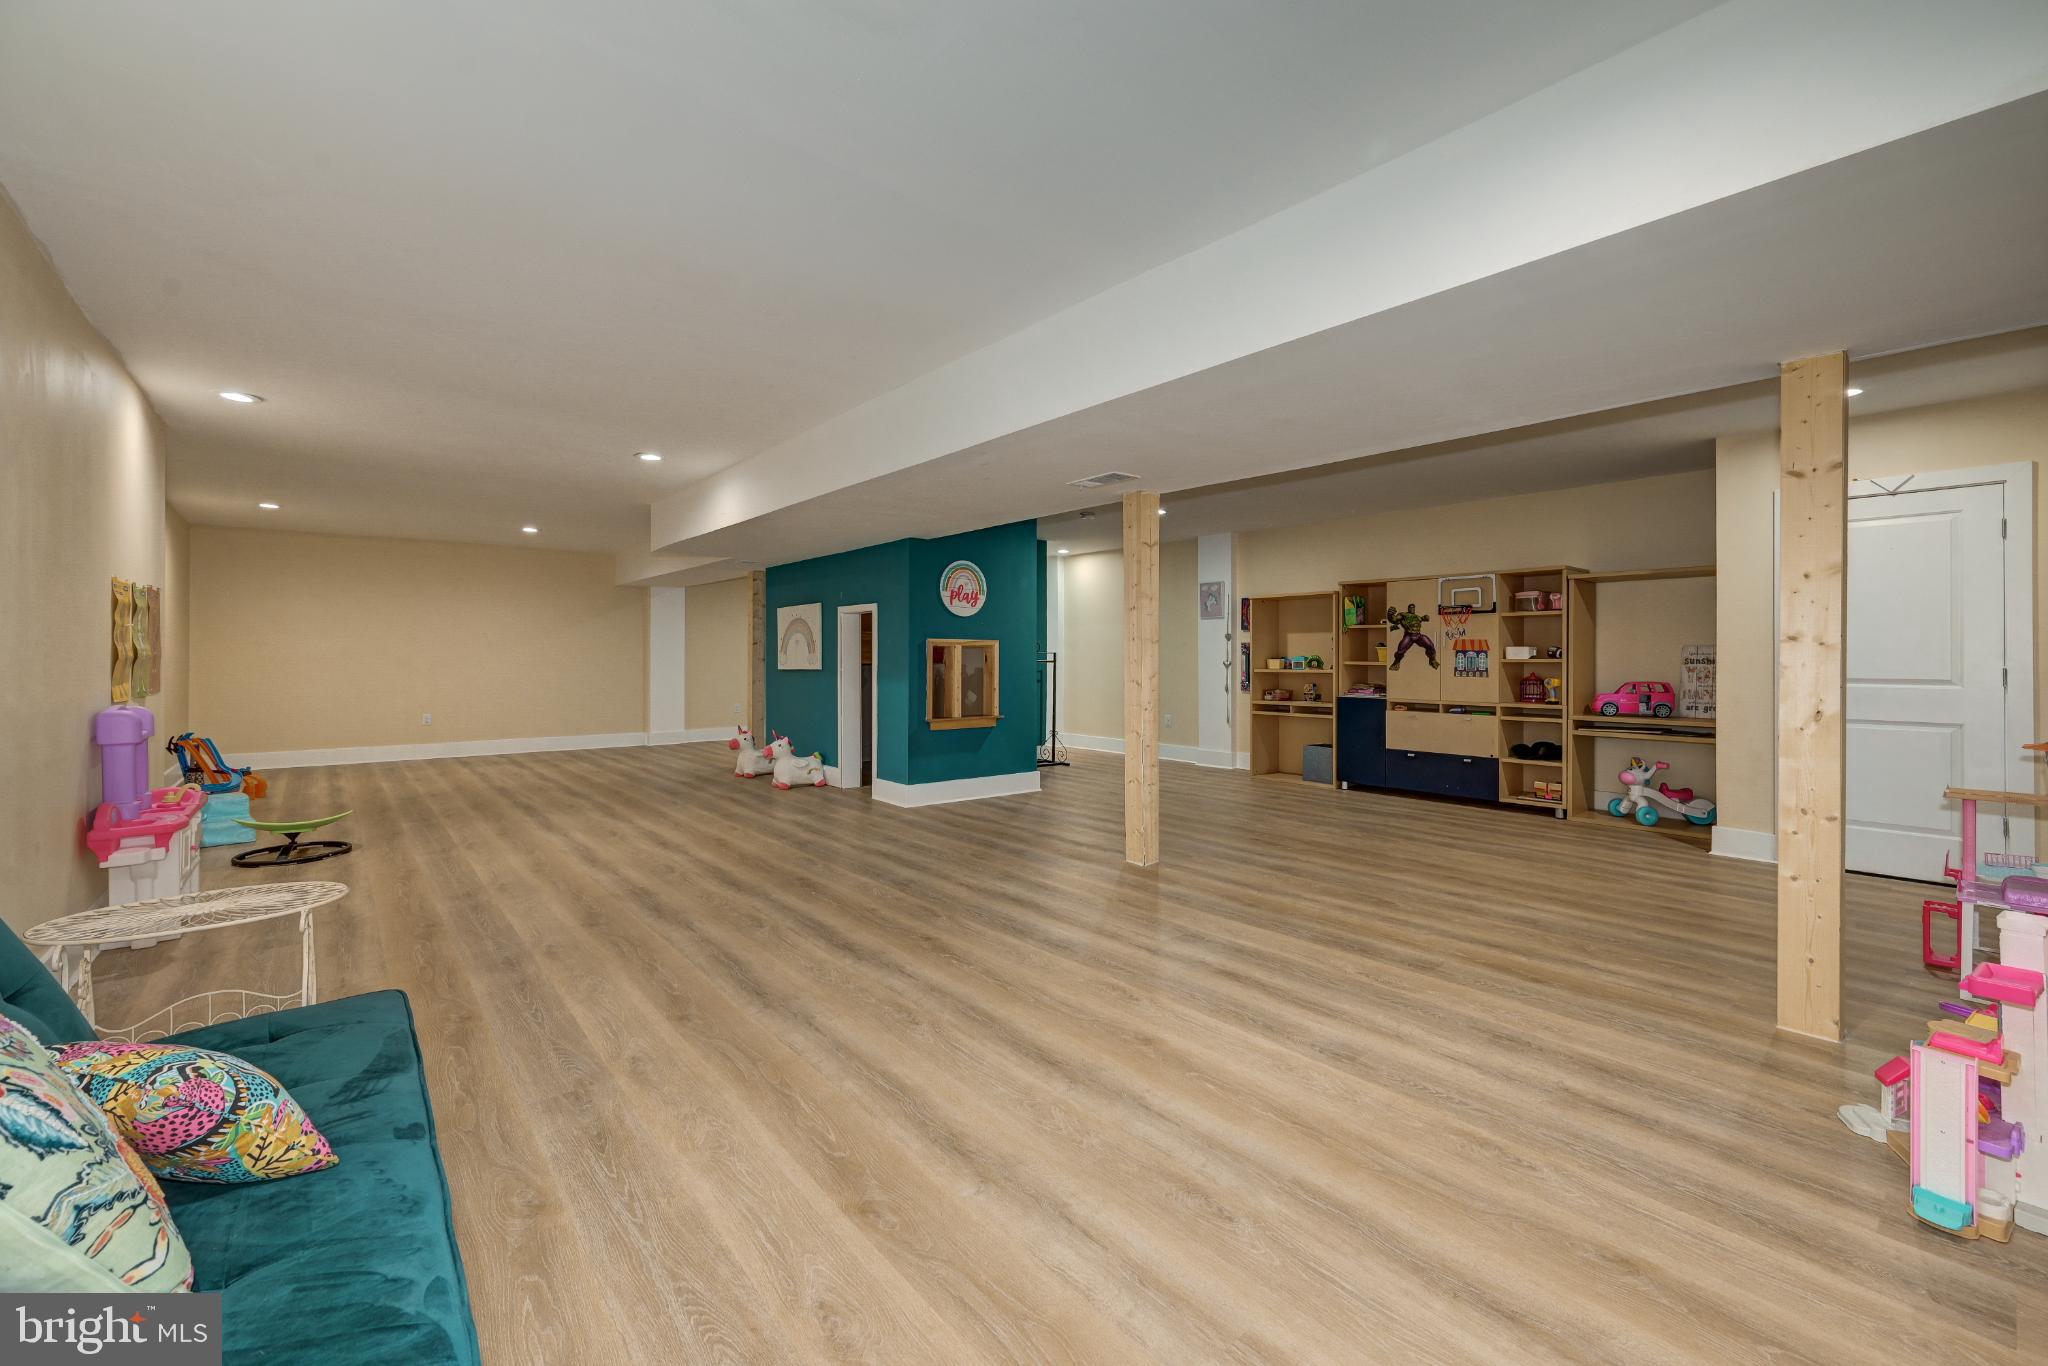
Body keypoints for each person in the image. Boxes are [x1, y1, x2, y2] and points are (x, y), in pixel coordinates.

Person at [1386, 603, 1439, 669]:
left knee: (1430, 645)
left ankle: (1432, 660)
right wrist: (1390, 615)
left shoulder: (1417, 617)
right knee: (1400, 650)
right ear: (1408, 608)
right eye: (1411, 607)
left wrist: (1425, 617)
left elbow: (1422, 619)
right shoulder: (1403, 615)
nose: (1412, 609)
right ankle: (1396, 661)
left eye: (1413, 607)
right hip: (1409, 636)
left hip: (1418, 636)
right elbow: (1394, 620)